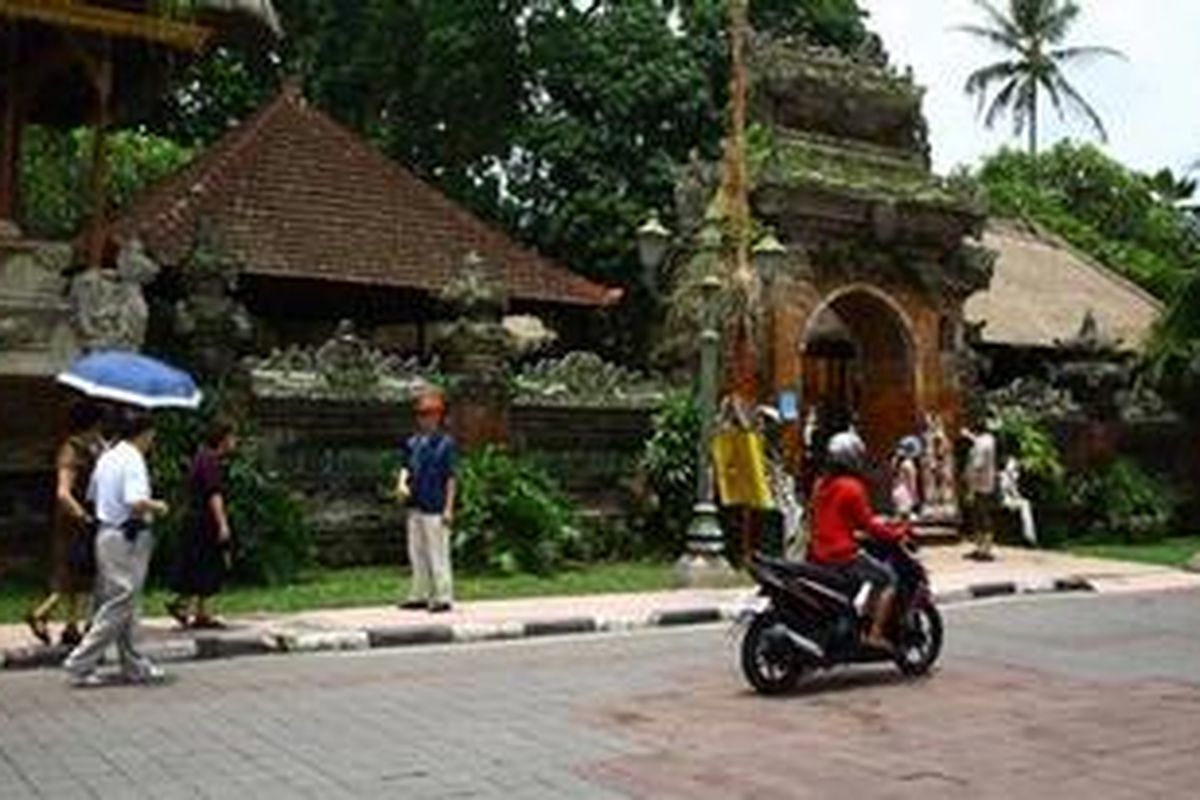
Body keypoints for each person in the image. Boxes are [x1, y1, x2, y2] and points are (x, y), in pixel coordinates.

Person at [63, 410, 169, 687]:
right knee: (121, 601)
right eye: (152, 435)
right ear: (145, 433)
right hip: (127, 537)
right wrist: (157, 505)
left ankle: (134, 664)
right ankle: (81, 661)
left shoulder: (107, 456)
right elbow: (134, 501)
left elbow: (93, 496)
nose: (153, 441)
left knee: (124, 602)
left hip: (107, 533)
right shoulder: (133, 459)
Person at [808, 431, 909, 652]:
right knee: (887, 579)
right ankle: (874, 634)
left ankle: (858, 621)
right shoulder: (852, 487)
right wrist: (896, 533)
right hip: (842, 555)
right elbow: (869, 525)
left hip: (818, 552)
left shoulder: (819, 485)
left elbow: (833, 519)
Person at [25, 402, 107, 647]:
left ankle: (72, 626)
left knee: (80, 576)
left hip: (85, 519)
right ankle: (40, 614)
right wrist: (81, 515)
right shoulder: (71, 450)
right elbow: (63, 492)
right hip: (74, 522)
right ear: (91, 424)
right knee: (70, 575)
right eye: (99, 424)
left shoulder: (89, 447)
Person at [166, 418, 237, 629]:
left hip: (197, 518)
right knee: (202, 563)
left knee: (204, 564)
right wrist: (222, 523)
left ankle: (201, 612)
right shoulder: (209, 461)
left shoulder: (204, 457)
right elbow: (213, 494)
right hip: (202, 520)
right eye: (232, 437)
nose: (235, 441)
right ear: (222, 439)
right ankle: (183, 604)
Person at [396, 390, 457, 613]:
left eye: (430, 414)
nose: (425, 419)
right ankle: (418, 594)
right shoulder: (413, 443)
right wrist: (401, 483)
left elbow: (450, 478)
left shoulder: (445, 444)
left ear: (439, 417)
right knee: (416, 552)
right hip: (416, 504)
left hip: (435, 505)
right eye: (422, 414)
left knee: (437, 552)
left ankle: (443, 596)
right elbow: (406, 468)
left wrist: (449, 508)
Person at [999, 454, 1038, 546]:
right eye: (1012, 463)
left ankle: (1029, 535)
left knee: (1025, 504)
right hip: (1004, 501)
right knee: (1025, 504)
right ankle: (1029, 536)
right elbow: (1009, 493)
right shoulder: (1003, 476)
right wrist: (1013, 482)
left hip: (1007, 500)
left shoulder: (1008, 476)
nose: (1015, 465)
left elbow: (1015, 494)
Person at [890, 435, 922, 522]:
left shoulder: (896, 462)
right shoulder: (909, 464)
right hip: (906, 494)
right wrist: (915, 498)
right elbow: (912, 483)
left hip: (897, 492)